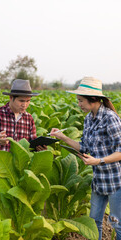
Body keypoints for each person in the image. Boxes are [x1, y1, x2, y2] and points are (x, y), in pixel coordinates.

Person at [50, 77, 121, 240]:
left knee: (117, 223)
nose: (79, 104)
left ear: (93, 99)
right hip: (99, 179)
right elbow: (85, 147)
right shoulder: (89, 118)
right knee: (94, 220)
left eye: (81, 100)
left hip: (116, 180)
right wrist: (63, 137)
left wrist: (98, 161)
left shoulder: (110, 118)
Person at [0, 79, 46, 218]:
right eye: (21, 101)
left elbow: (30, 142)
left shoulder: (28, 118)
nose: (25, 105)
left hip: (17, 174)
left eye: (28, 101)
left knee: (12, 213)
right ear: (11, 98)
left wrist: (38, 146)